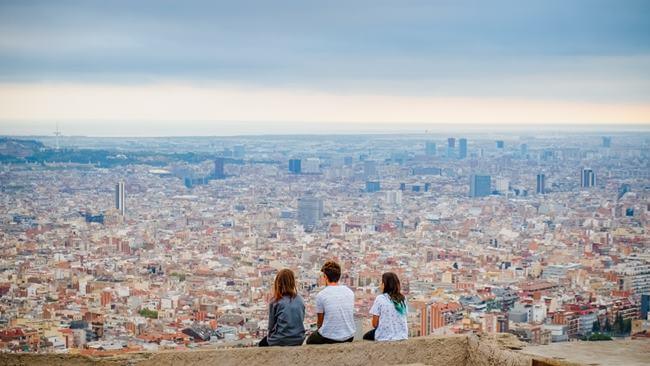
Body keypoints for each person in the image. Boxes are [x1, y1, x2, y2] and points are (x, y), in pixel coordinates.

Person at [306, 260, 356, 344]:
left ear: (325, 276)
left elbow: (320, 323)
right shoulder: (349, 292)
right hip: (349, 336)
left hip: (329, 338)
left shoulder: (321, 295)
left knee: (310, 340)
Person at [258, 268, 305, 347]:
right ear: (293, 283)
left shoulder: (275, 301)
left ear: (278, 283)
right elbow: (301, 318)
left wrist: (271, 338)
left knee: (261, 344)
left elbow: (271, 326)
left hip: (280, 340)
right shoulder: (300, 299)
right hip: (299, 339)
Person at [363, 272, 408, 342]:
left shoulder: (380, 298)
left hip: (384, 336)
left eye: (381, 283)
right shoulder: (403, 299)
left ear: (384, 285)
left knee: (366, 336)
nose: (380, 285)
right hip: (402, 335)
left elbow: (374, 324)